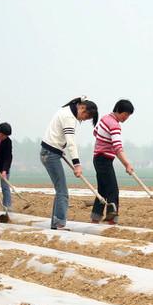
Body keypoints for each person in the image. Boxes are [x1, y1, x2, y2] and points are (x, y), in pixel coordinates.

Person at [40, 96, 98, 230]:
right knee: (62, 191)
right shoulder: (69, 118)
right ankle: (59, 223)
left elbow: (58, 136)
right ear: (82, 108)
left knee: (59, 190)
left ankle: (56, 223)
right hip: (50, 154)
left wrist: (59, 148)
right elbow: (71, 143)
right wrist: (77, 164)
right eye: (86, 116)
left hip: (50, 151)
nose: (83, 119)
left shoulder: (66, 110)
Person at [91, 99, 136, 223]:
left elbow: (95, 133)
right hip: (104, 159)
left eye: (128, 115)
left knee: (103, 190)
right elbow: (117, 147)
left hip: (97, 158)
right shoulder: (115, 125)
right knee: (113, 190)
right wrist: (127, 164)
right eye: (125, 114)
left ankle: (95, 218)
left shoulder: (104, 119)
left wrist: (104, 142)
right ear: (118, 110)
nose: (126, 118)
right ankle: (112, 219)